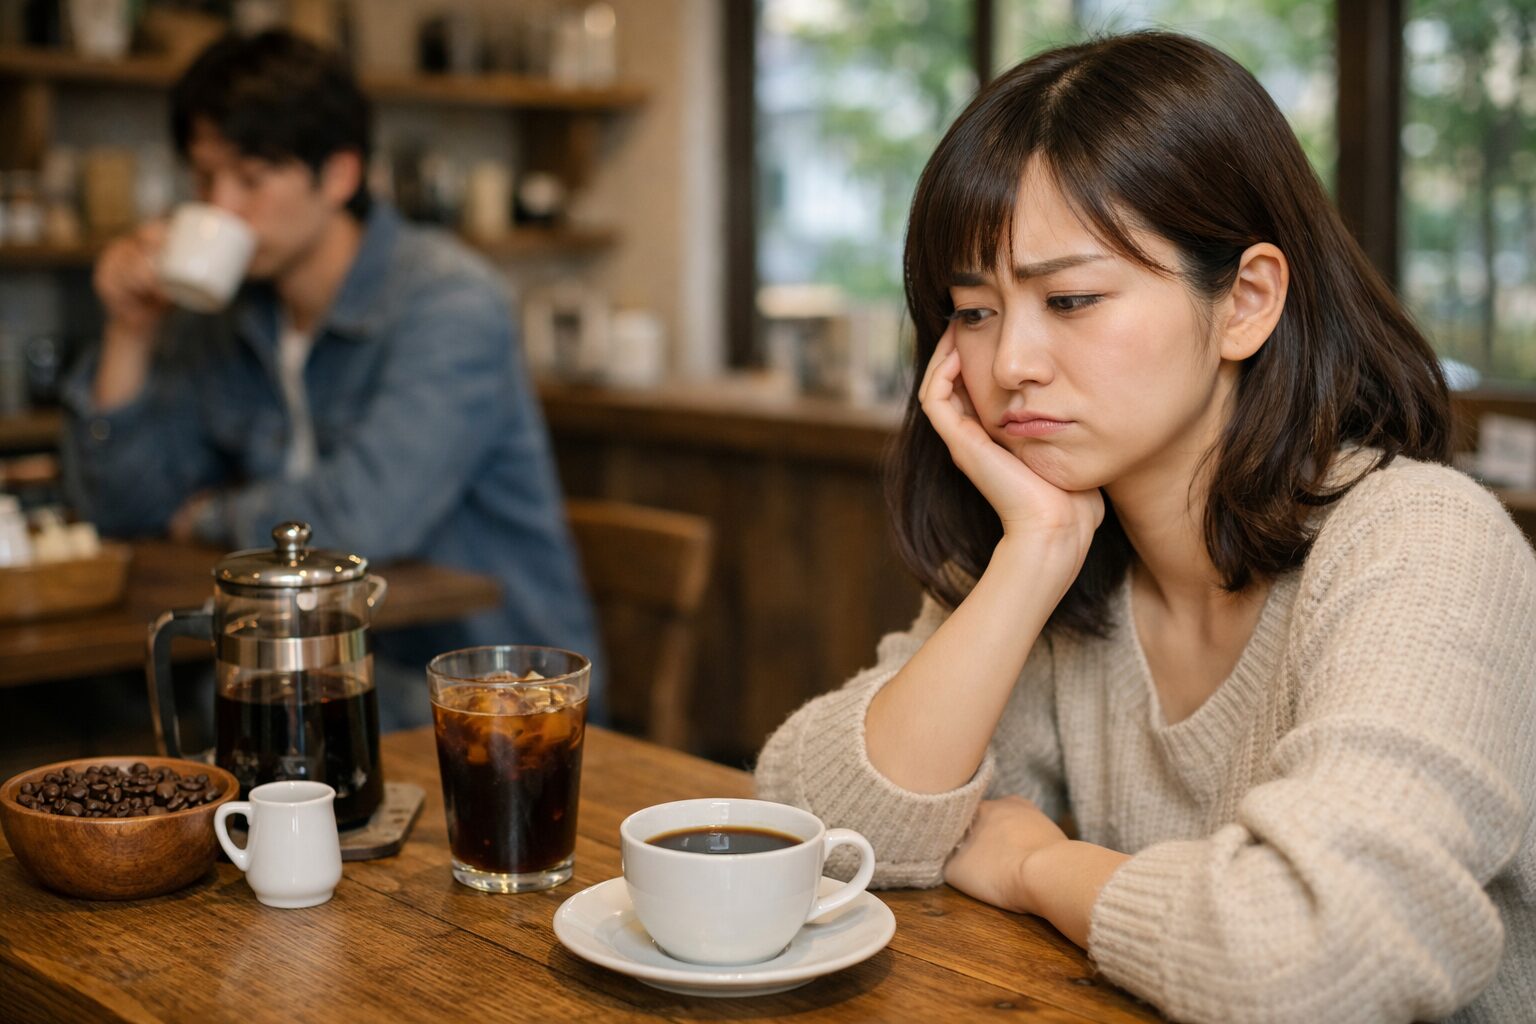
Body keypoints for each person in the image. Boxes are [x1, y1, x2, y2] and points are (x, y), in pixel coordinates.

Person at [755, 31, 1535, 1024]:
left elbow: (1314, 957)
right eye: (974, 311)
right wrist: (1032, 556)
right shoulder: (1061, 545)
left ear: (1247, 300)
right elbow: (818, 836)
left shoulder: (1425, 547)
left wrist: (1043, 865)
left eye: (1071, 299)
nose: (1011, 365)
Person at [61, 30, 601, 727]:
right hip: (309, 678)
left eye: (251, 179)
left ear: (339, 175)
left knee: (178, 716)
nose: (220, 207)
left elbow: (366, 515)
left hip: (484, 695)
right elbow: (119, 509)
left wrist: (211, 516)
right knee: (124, 714)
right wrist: (129, 332)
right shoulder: (228, 313)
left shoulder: (451, 302)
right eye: (203, 179)